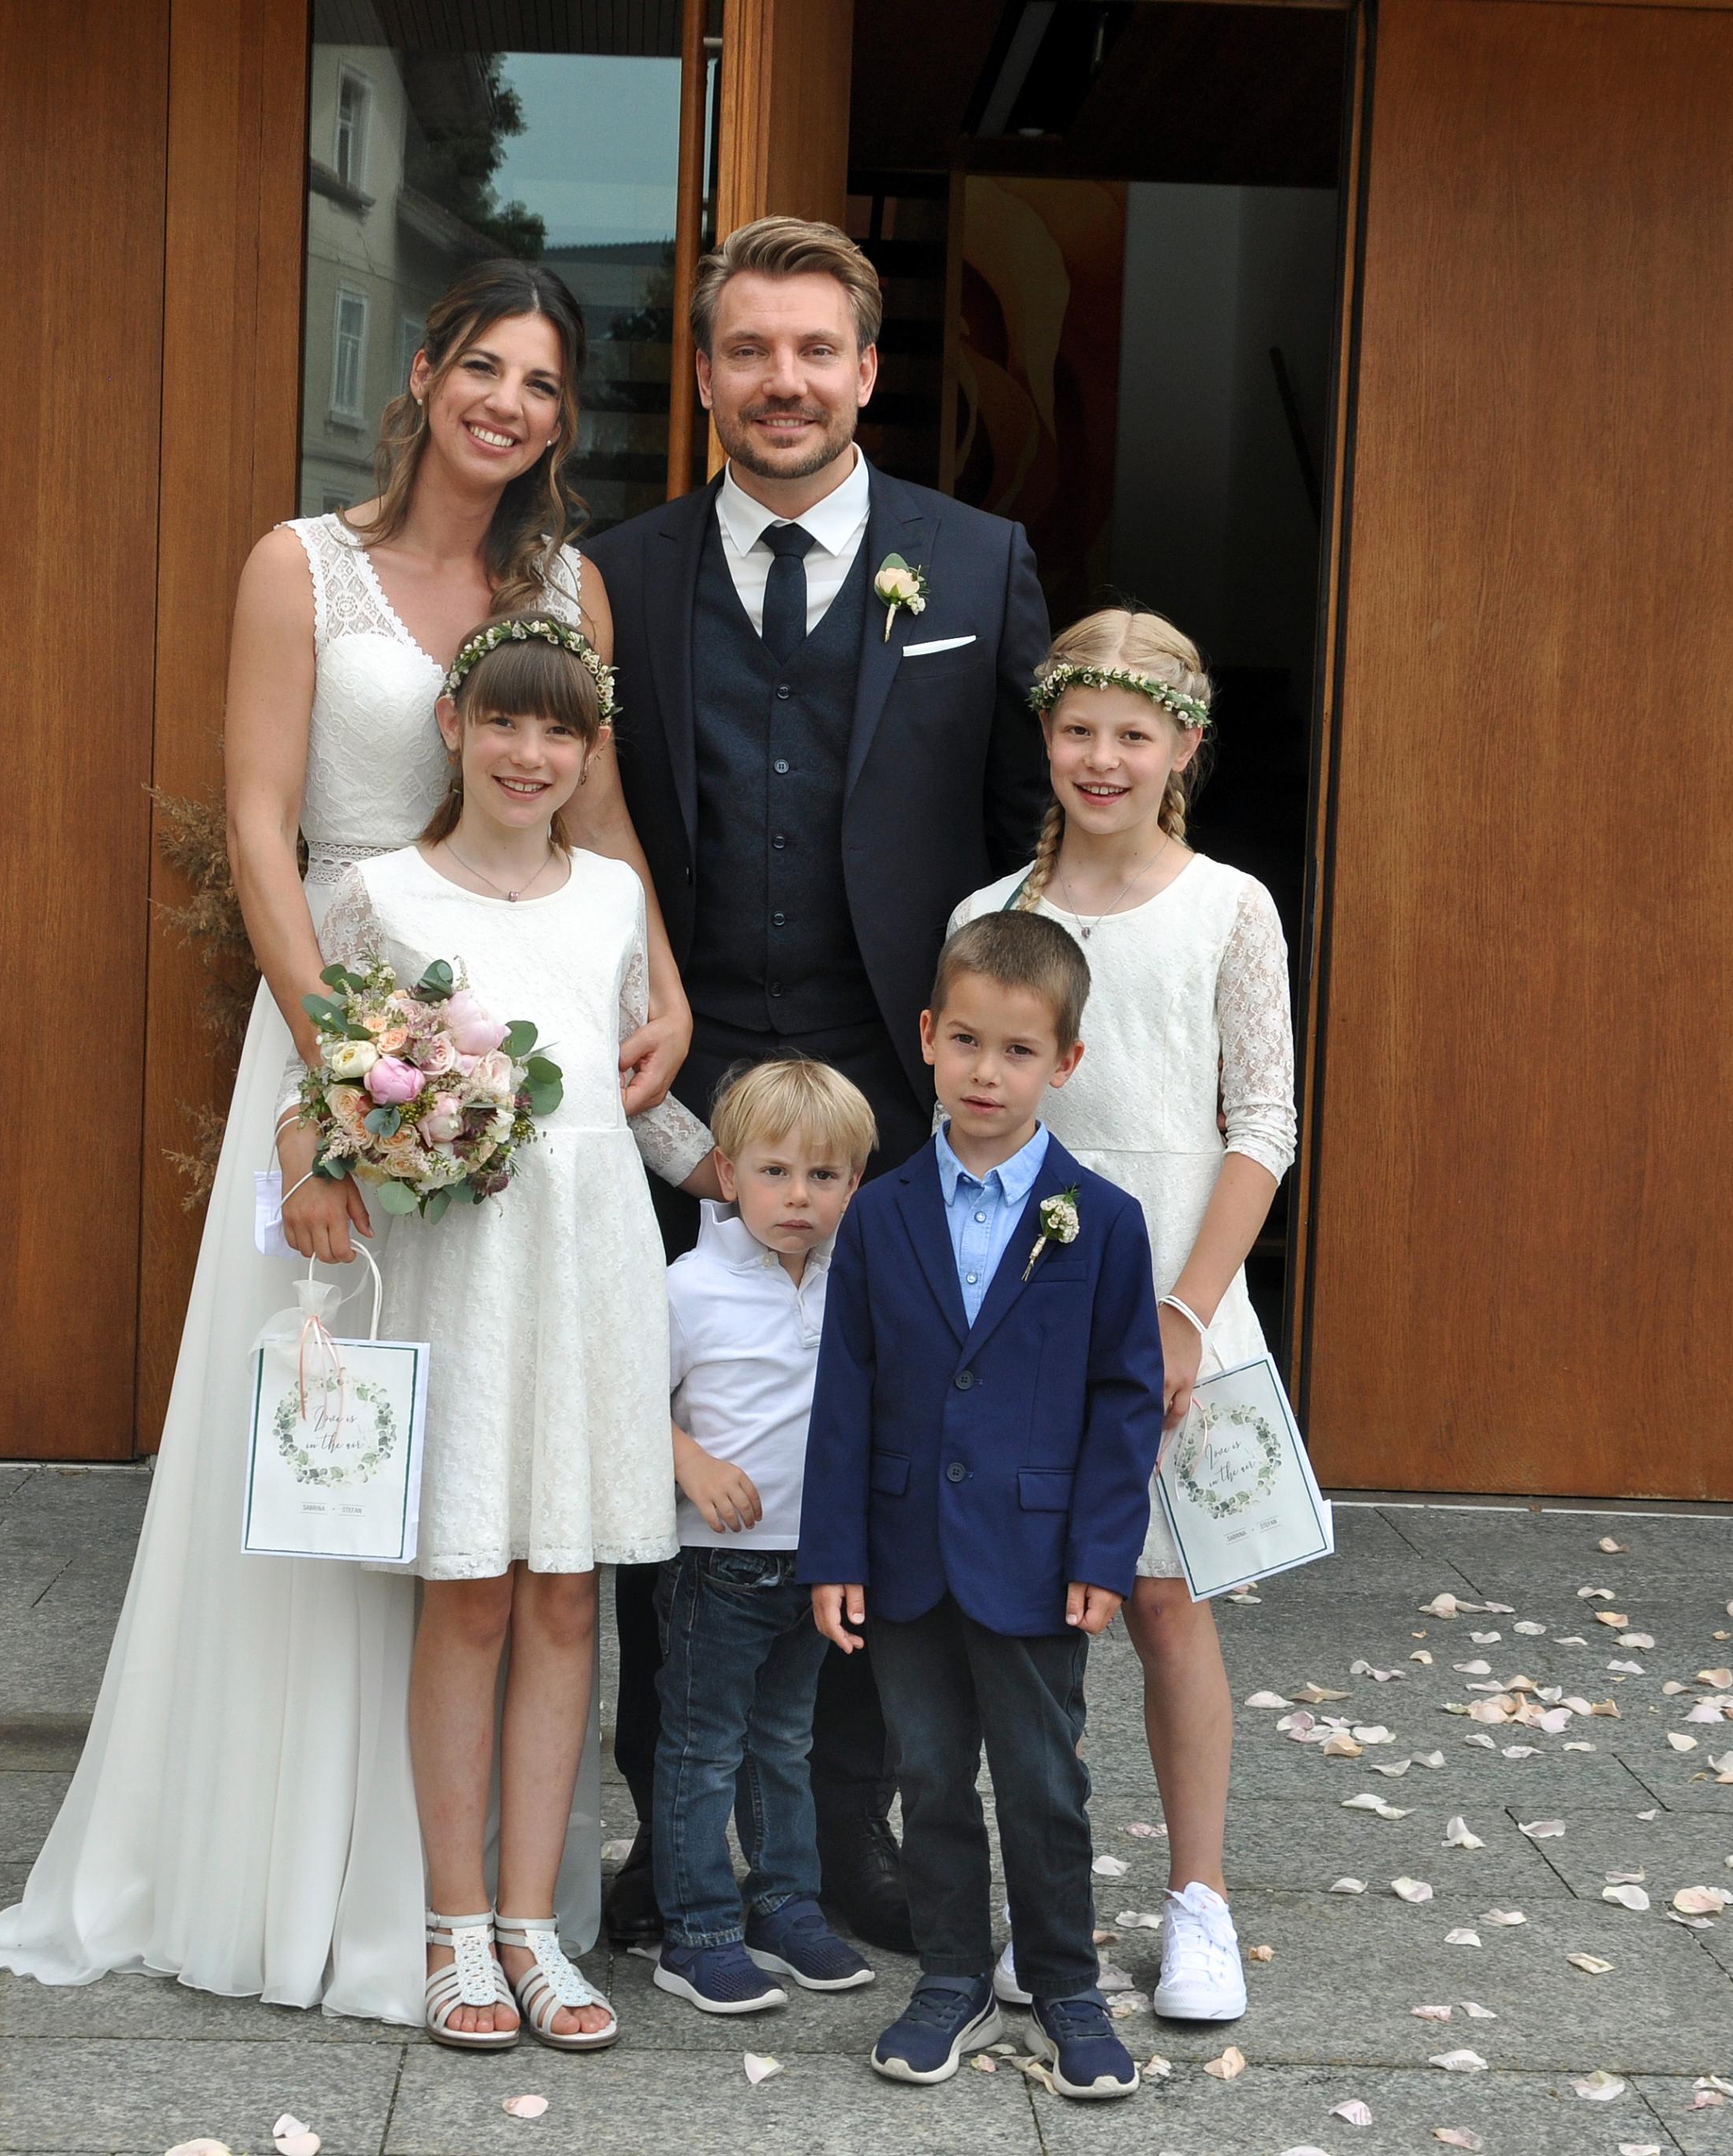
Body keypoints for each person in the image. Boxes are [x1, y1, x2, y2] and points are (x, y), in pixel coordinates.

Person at [0, 261, 683, 2024]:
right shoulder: (298, 567)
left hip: (530, 1023)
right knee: (351, 1438)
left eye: (541, 384)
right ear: (421, 375)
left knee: (495, 1485)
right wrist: (351, 1059)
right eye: (481, 368)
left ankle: (497, 1909)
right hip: (354, 1025)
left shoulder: (564, 588)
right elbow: (264, 820)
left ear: (561, 419)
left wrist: (661, 981)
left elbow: (596, 809)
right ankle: (309, 1883)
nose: (506, 404)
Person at [580, 213, 1054, 1953]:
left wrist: (974, 1101)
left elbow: (1021, 851)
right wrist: (668, 1129)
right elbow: (584, 843)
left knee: (877, 1473)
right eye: (747, 350)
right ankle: (672, 1845)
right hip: (676, 1097)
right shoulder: (617, 575)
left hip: (899, 1121)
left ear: (864, 370)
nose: (781, 381)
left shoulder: (976, 563)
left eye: (813, 351)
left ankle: (848, 1846)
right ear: (705, 377)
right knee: (675, 1481)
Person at [289, 614, 714, 2048]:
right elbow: (322, 1082)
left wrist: (743, 1172)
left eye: (559, 731)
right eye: (503, 722)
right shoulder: (379, 895)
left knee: (565, 1596)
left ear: (590, 752)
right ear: (452, 727)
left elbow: (627, 1088)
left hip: (594, 1271)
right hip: (465, 1271)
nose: (529, 754)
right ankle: (452, 1922)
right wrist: (313, 1168)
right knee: (469, 1588)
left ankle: (535, 1924)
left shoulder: (612, 898)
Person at [957, 610, 1295, 2025]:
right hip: (1029, 1295)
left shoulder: (1229, 907)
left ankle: (1199, 1900)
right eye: (1079, 730)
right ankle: (1045, 1908)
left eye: (1134, 735)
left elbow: (1262, 1121)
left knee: (1164, 1595)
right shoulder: (990, 916)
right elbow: (972, 1117)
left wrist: (1184, 1312)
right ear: (1046, 734)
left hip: (1175, 1289)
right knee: (1031, 1610)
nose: (1104, 758)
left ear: (1184, 747)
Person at [800, 912, 1165, 2100]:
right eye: (965, 1041)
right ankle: (950, 1976)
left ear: (1065, 1060)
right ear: (926, 1036)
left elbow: (1124, 1401)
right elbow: (846, 1389)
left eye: (1017, 1050)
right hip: (904, 1550)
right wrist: (835, 1551)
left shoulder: (1101, 1221)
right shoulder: (880, 1212)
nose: (986, 1072)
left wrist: (1103, 1552)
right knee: (929, 1774)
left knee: (1044, 1779)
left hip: (1039, 1556)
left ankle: (1063, 1985)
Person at [648, 1057, 881, 2018]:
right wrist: (691, 1462)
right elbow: (623, 1396)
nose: (797, 1196)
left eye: (822, 1176)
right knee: (704, 1747)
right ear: (727, 1172)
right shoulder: (687, 1286)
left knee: (785, 1740)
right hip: (716, 1566)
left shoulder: (852, 1283)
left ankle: (784, 1903)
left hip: (815, 1562)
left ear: (853, 1185)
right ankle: (697, 1931)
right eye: (774, 1171)